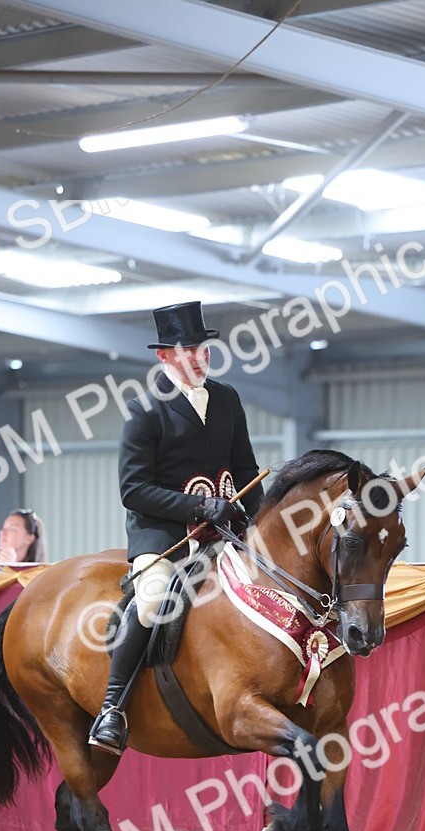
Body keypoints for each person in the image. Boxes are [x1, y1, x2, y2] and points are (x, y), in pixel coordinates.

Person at [88, 300, 265, 755]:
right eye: (187, 351)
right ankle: (113, 708)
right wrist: (200, 506)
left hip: (228, 530)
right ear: (164, 357)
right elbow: (134, 490)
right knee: (150, 601)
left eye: (202, 349)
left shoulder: (226, 398)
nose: (199, 358)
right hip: (166, 537)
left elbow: (245, 468)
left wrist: (262, 522)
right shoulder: (145, 410)